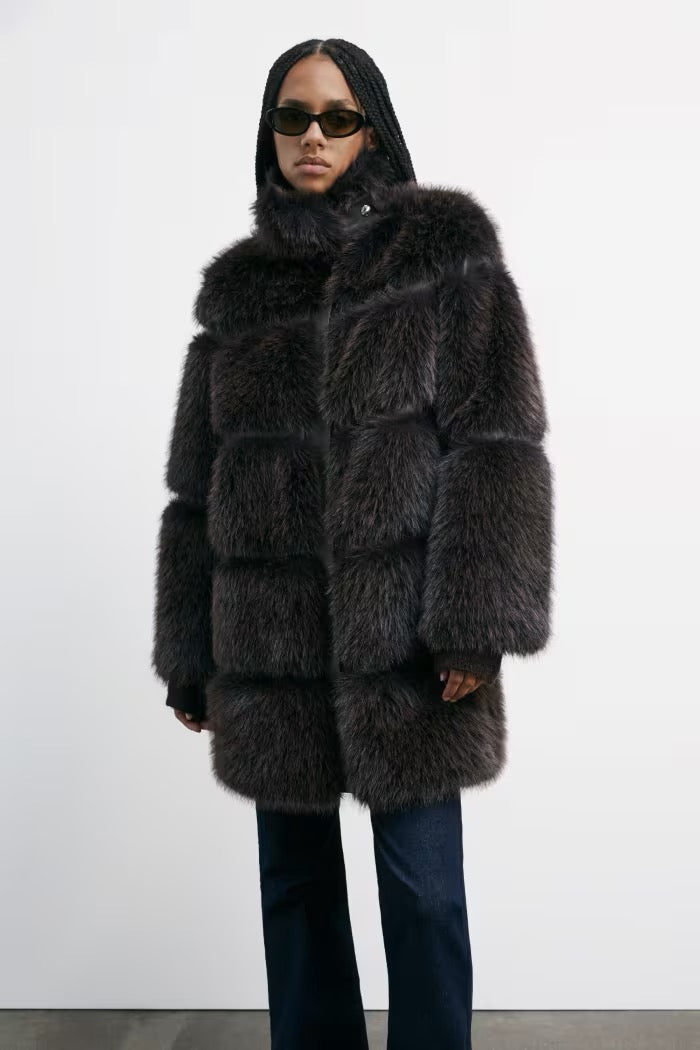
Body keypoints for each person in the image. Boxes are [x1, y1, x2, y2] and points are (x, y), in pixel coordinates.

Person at [151, 37, 553, 1050]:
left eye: (337, 117)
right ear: (268, 133)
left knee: (422, 891)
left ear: (372, 127)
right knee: (293, 888)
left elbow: (495, 449)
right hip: (270, 640)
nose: (314, 137)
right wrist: (190, 651)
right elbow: (196, 486)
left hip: (407, 637)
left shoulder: (446, 258)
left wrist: (474, 623)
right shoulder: (238, 292)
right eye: (293, 117)